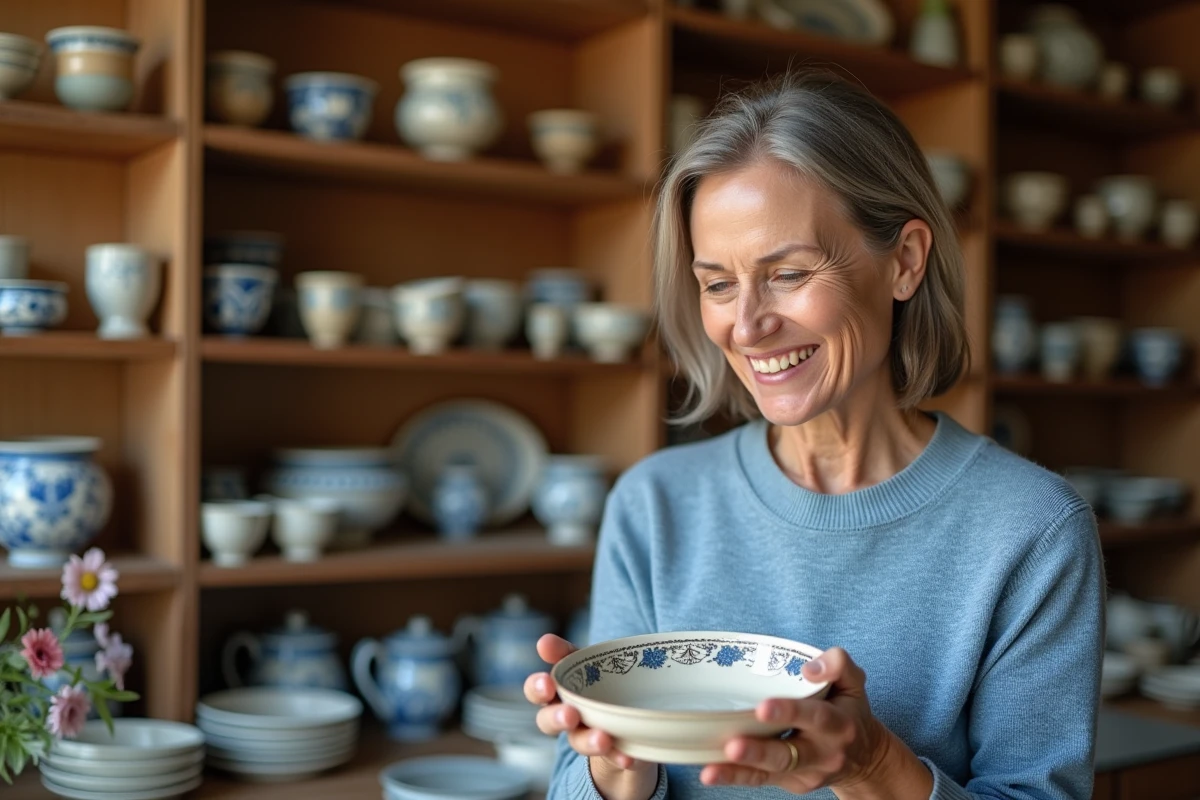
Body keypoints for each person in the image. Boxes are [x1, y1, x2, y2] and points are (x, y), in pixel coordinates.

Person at [524, 70, 1105, 800]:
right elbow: (577, 785)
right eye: (717, 283)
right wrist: (615, 765)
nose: (746, 324)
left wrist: (873, 766)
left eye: (789, 273)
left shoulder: (1031, 530)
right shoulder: (655, 504)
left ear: (905, 261)